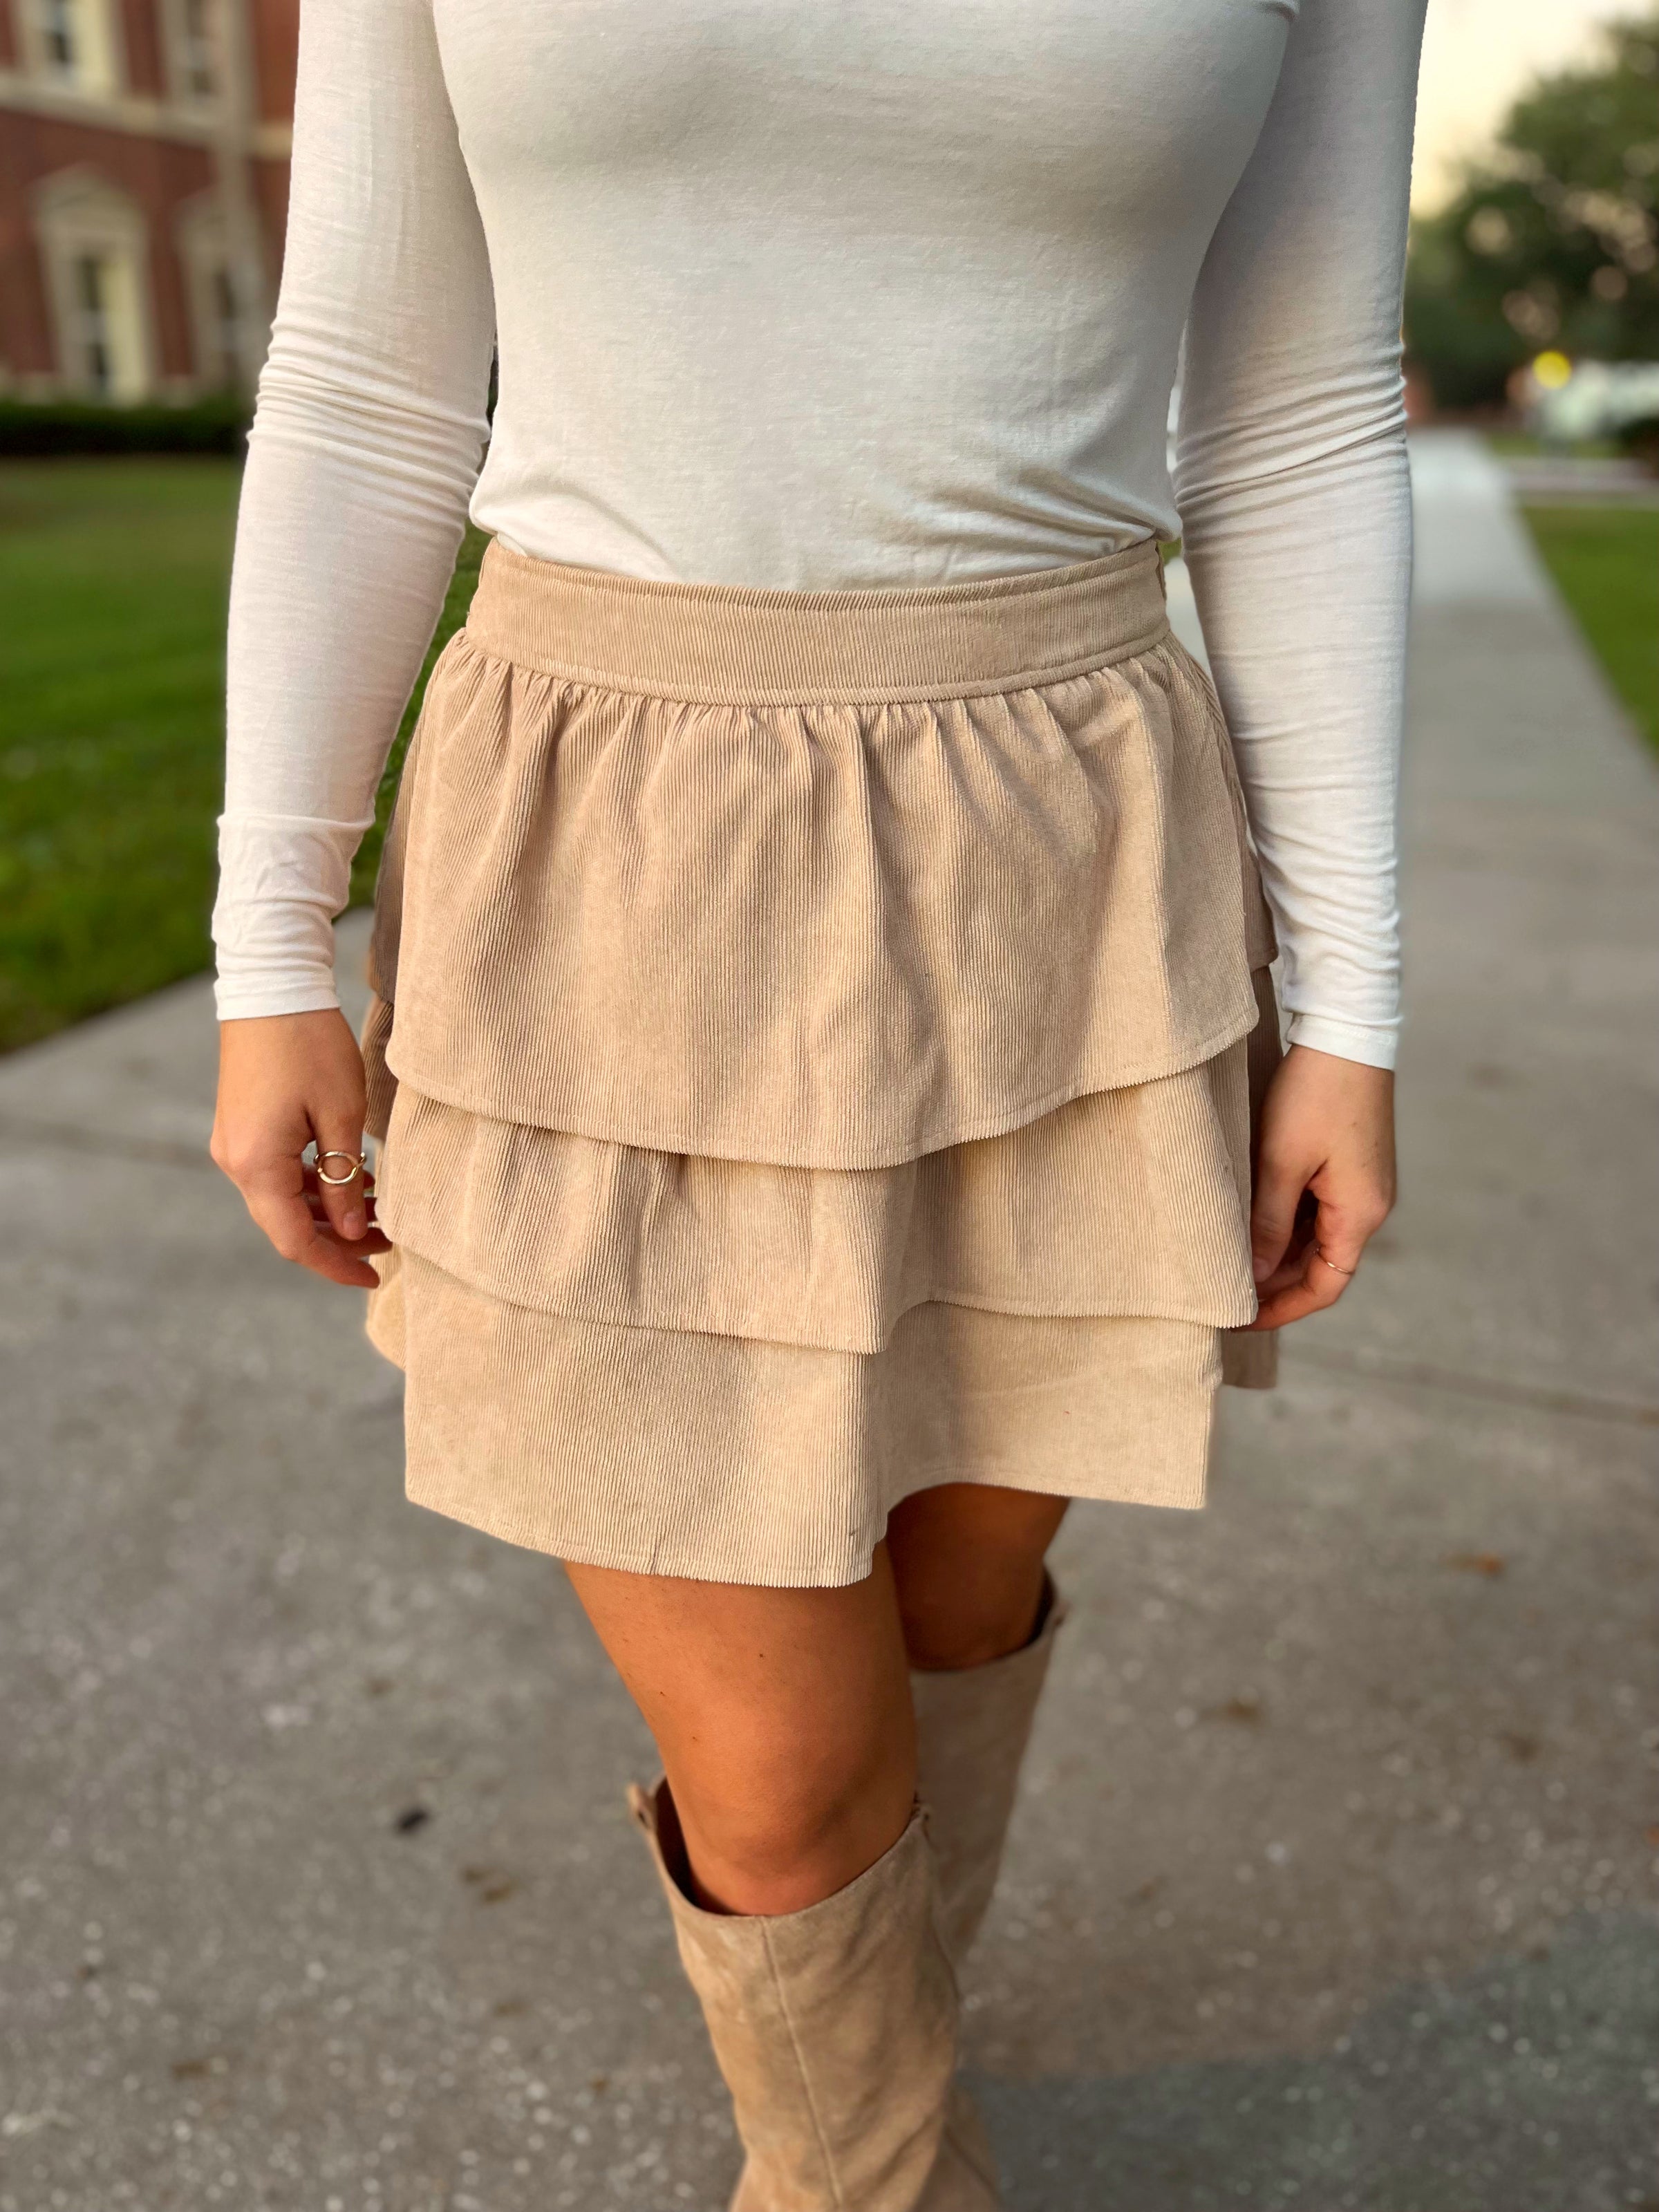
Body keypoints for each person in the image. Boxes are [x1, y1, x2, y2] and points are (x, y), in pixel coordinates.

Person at [210, 2, 1422, 2202]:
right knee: (780, 1778)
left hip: (1073, 877)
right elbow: (371, 380)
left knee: (948, 1611)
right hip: (608, 857)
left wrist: (1353, 1004)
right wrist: (267, 940)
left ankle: (877, 2079)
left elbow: (1300, 416)